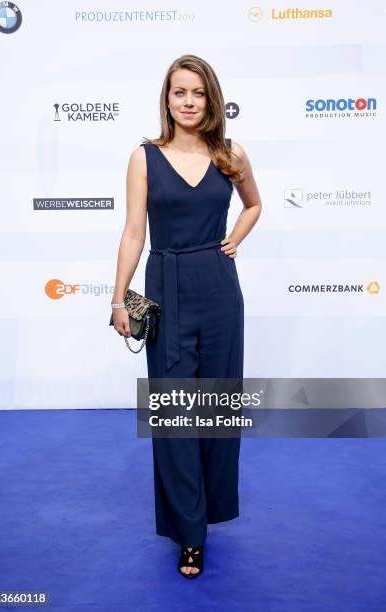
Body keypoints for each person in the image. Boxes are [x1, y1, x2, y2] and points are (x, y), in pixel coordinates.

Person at [110, 54, 262, 578]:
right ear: (167, 99)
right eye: (180, 93)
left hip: (220, 291)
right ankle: (189, 534)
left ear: (211, 98)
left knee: (215, 411)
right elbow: (134, 232)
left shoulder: (230, 153)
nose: (189, 102)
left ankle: (212, 510)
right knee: (176, 416)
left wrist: (234, 240)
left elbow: (253, 205)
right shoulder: (144, 156)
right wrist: (117, 298)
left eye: (198, 93)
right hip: (167, 286)